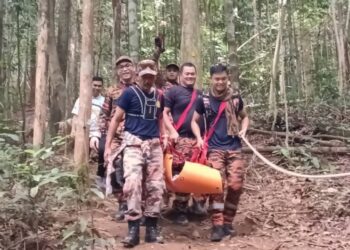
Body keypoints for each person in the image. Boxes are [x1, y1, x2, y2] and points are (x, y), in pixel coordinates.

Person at [105, 59, 166, 248]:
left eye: (151, 76)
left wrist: (163, 137)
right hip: (133, 144)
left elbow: (160, 117)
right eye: (145, 76)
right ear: (138, 75)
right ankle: (132, 228)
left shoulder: (159, 95)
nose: (148, 80)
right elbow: (115, 120)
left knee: (156, 186)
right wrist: (108, 146)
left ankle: (151, 228)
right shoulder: (129, 94)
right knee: (132, 183)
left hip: (154, 144)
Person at [191, 63, 249, 242]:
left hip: (234, 147)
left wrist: (244, 130)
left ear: (228, 78)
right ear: (211, 79)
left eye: (223, 78)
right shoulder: (204, 99)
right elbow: (194, 120)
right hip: (214, 148)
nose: (220, 82)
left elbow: (244, 117)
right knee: (216, 186)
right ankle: (217, 224)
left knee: (235, 186)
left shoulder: (236, 98)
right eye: (217, 79)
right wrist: (199, 138)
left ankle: (228, 223)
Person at [163, 62, 206, 225]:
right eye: (187, 74)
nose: (190, 76)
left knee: (198, 172)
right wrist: (170, 132)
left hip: (198, 140)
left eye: (192, 74)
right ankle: (179, 209)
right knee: (181, 173)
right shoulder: (173, 92)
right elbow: (164, 113)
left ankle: (197, 204)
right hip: (180, 139)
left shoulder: (201, 94)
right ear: (181, 75)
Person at [95, 56, 136, 220]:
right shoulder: (112, 91)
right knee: (115, 169)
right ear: (117, 71)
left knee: (134, 171)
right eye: (121, 67)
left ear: (133, 68)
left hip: (134, 135)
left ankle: (137, 205)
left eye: (128, 66)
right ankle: (122, 204)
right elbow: (104, 115)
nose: (125, 69)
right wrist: (104, 137)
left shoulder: (140, 88)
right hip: (117, 136)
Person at [71, 76, 105, 151]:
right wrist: (73, 130)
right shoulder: (81, 98)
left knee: (94, 145)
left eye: (99, 86)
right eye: (95, 85)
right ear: (91, 85)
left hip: (96, 132)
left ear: (102, 87)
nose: (97, 88)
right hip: (82, 130)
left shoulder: (104, 101)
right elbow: (75, 115)